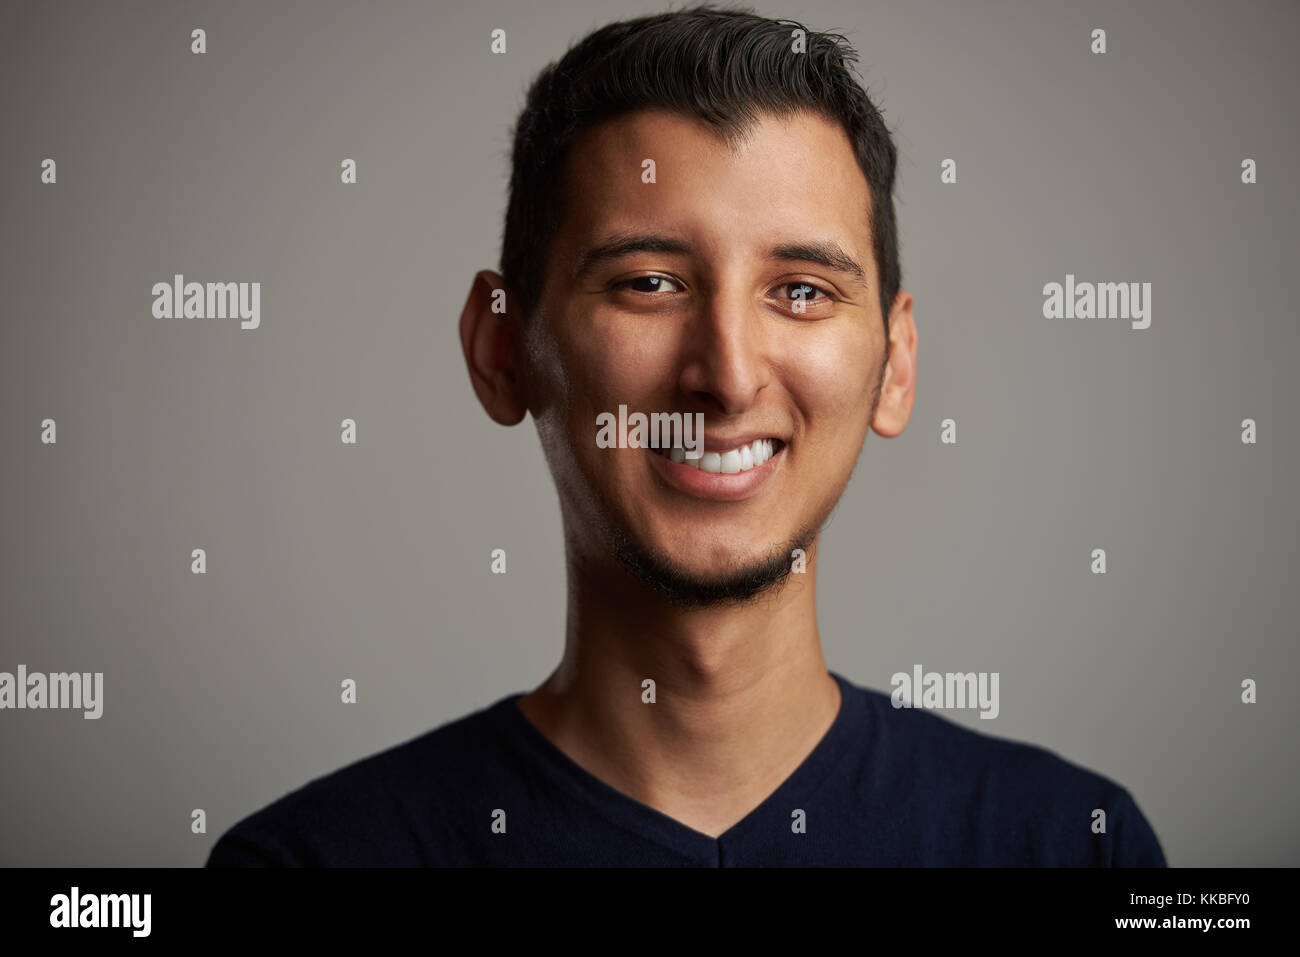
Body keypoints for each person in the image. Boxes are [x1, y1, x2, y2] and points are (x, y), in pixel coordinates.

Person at [208, 5, 1165, 867]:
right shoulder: (307, 870)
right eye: (650, 283)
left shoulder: (1071, 848)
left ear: (896, 362)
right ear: (502, 347)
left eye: (801, 291)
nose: (729, 373)